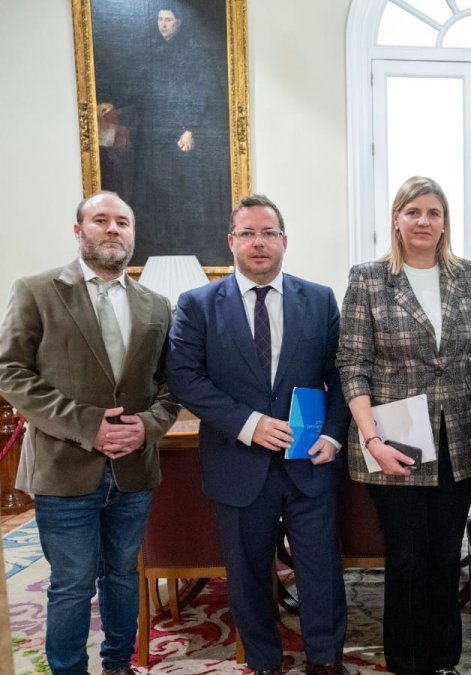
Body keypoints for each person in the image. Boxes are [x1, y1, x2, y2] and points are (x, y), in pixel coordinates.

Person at [167, 194, 350, 675]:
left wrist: (333, 435)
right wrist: (249, 424)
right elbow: (185, 378)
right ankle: (264, 663)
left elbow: (341, 375)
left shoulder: (320, 300)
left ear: (284, 241)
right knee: (248, 575)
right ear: (231, 242)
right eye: (247, 233)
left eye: (268, 233)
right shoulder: (197, 305)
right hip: (237, 463)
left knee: (321, 570)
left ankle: (325, 660)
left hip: (308, 462)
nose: (259, 242)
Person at [0, 191, 180, 675]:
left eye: (123, 221)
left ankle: (119, 664)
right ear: (78, 231)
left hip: (133, 470)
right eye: (101, 220)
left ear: (133, 234)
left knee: (122, 576)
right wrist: (87, 426)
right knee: (72, 584)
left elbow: (171, 385)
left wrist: (147, 427)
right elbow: (10, 372)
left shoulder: (157, 305)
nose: (113, 229)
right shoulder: (36, 291)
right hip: (64, 468)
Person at [336, 176, 471, 675]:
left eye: (433, 212)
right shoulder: (369, 278)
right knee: (407, 558)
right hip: (393, 438)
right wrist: (372, 439)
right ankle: (407, 663)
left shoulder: (467, 276)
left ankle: (444, 660)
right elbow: (352, 364)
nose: (423, 221)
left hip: (456, 436)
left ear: (445, 222)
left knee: (445, 555)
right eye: (413, 211)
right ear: (396, 218)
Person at [96, 3, 231, 262]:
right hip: (155, 136)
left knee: (183, 188)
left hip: (183, 135)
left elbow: (205, 93)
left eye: (168, 19)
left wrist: (191, 129)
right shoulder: (154, 53)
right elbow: (139, 89)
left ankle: (188, 244)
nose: (163, 25)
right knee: (156, 188)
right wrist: (115, 103)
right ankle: (164, 243)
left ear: (179, 22)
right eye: (160, 19)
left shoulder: (194, 53)